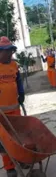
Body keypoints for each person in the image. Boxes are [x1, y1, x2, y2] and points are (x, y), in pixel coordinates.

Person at [0, 36, 25, 177]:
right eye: (6, 51)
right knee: (4, 142)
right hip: (1, 113)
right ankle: (10, 167)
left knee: (18, 137)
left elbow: (18, 80)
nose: (9, 54)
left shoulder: (14, 65)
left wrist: (21, 93)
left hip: (15, 109)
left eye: (11, 51)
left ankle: (22, 159)